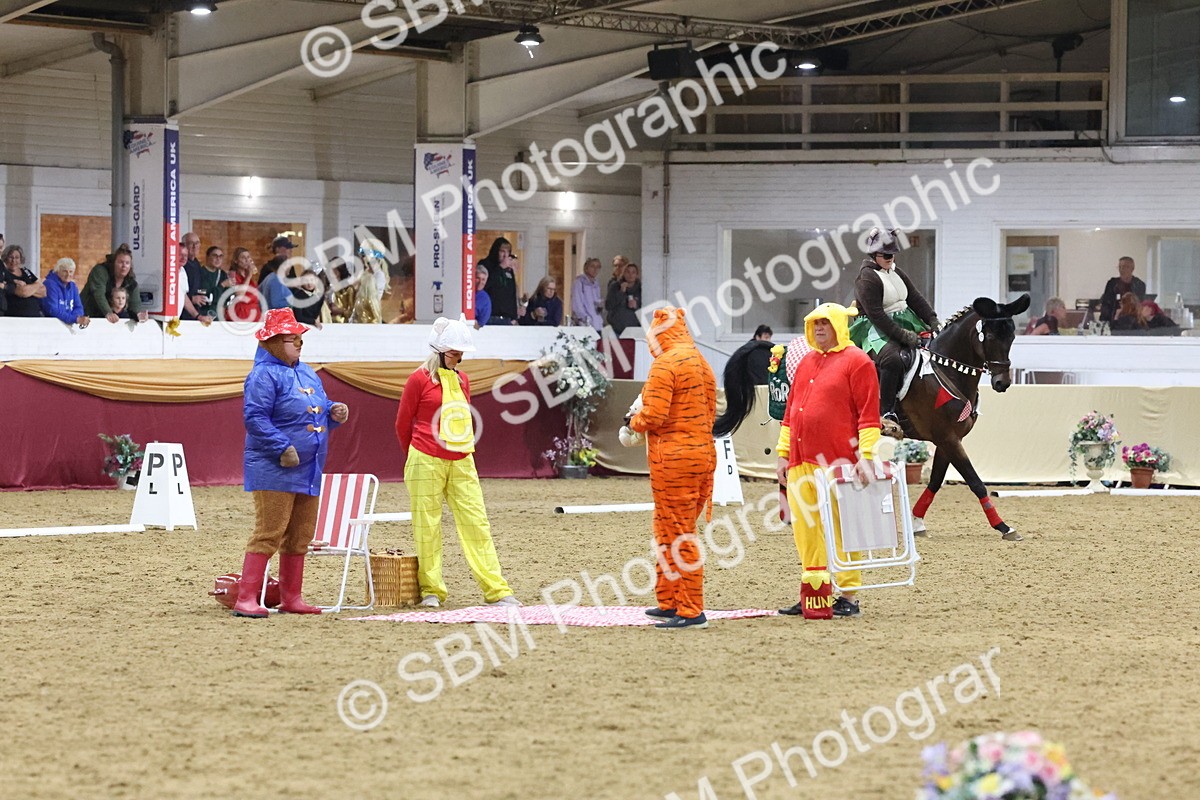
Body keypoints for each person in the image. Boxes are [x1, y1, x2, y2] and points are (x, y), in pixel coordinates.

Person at [230, 308, 350, 618]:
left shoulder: (307, 372)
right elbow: (255, 418)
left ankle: (291, 597)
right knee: (269, 531)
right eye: (291, 339)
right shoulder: (262, 375)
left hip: (308, 468)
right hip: (274, 468)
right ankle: (246, 598)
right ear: (272, 343)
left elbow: (316, 408)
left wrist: (332, 412)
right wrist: (281, 446)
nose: (299, 343)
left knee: (301, 534)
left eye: (299, 338)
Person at [395, 317, 520, 608]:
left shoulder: (463, 379)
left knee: (477, 522)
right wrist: (414, 455)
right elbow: (402, 423)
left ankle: (497, 590)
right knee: (427, 526)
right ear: (439, 351)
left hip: (462, 459)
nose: (459, 358)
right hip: (425, 458)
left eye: (461, 353)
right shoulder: (418, 379)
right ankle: (431, 590)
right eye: (454, 353)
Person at [776, 303, 882, 619]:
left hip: (839, 463)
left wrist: (866, 456)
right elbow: (790, 412)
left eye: (825, 322)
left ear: (838, 325)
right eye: (815, 323)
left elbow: (868, 415)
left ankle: (848, 595)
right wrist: (782, 455)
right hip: (800, 462)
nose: (820, 328)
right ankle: (815, 593)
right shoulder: (806, 362)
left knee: (842, 528)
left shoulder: (859, 362)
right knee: (806, 529)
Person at [625, 306, 716, 630]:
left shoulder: (665, 364)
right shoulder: (701, 362)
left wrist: (633, 422)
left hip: (674, 461)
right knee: (670, 529)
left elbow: (654, 415)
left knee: (677, 532)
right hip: (703, 455)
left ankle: (690, 609)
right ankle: (670, 601)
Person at [849, 227, 939, 421]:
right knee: (892, 359)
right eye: (886, 255)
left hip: (905, 320)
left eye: (892, 254)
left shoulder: (896, 271)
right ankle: (886, 411)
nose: (890, 258)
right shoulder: (867, 278)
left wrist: (932, 319)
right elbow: (876, 315)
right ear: (874, 254)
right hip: (875, 328)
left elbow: (915, 298)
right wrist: (902, 335)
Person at [82, 244, 148, 322]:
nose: (124, 266)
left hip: (113, 322)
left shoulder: (131, 283)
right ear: (114, 263)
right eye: (120, 262)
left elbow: (135, 304)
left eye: (127, 263)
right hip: (88, 316)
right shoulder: (100, 271)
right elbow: (99, 294)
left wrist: (138, 314)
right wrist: (108, 312)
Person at [480, 237, 520, 325]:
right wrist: (500, 267)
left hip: (507, 318)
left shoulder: (508, 270)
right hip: (491, 316)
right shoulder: (485, 264)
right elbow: (484, 285)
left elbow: (512, 293)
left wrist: (514, 317)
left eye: (508, 252)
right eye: (502, 251)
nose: (505, 255)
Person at [41, 258, 89, 327]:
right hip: (50, 325)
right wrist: (74, 319)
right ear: (57, 271)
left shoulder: (73, 286)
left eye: (71, 272)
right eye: (64, 271)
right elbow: (52, 310)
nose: (68, 274)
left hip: (67, 325)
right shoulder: (50, 284)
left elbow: (79, 307)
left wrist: (74, 318)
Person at [2, 244, 45, 317]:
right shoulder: (3, 273)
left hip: (34, 316)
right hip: (14, 316)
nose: (13, 260)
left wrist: (27, 287)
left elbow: (43, 292)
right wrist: (36, 286)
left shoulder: (26, 271)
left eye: (17, 257)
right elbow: (23, 292)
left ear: (21, 259)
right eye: (11, 257)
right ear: (5, 258)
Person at [1099, 257, 1146, 323]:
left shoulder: (1139, 285)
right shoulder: (1112, 284)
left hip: (1133, 321)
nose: (1121, 270)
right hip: (1113, 319)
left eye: (1124, 267)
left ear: (1132, 268)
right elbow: (1106, 304)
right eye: (1120, 267)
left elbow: (1138, 304)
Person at [223, 247, 262, 324]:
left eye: (248, 257)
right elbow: (240, 295)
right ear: (236, 261)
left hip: (254, 313)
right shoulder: (233, 275)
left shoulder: (248, 275)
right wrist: (249, 276)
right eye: (243, 257)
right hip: (241, 313)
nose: (247, 260)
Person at [605, 262, 642, 335]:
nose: (630, 275)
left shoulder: (640, 288)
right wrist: (621, 292)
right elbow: (608, 305)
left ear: (637, 274)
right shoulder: (615, 286)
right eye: (628, 272)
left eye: (633, 272)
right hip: (616, 329)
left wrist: (636, 306)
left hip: (634, 329)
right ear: (623, 273)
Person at [179, 232, 206, 321]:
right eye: (191, 243)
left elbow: (199, 288)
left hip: (194, 312)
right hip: (181, 314)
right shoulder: (181, 267)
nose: (195, 246)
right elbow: (180, 293)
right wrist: (192, 298)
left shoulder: (196, 263)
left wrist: (203, 294)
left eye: (197, 243)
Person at [571, 257, 604, 329]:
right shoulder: (579, 282)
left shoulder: (596, 284)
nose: (595, 269)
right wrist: (585, 319)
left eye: (598, 267)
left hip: (597, 322)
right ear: (586, 268)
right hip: (585, 323)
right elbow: (577, 304)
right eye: (592, 266)